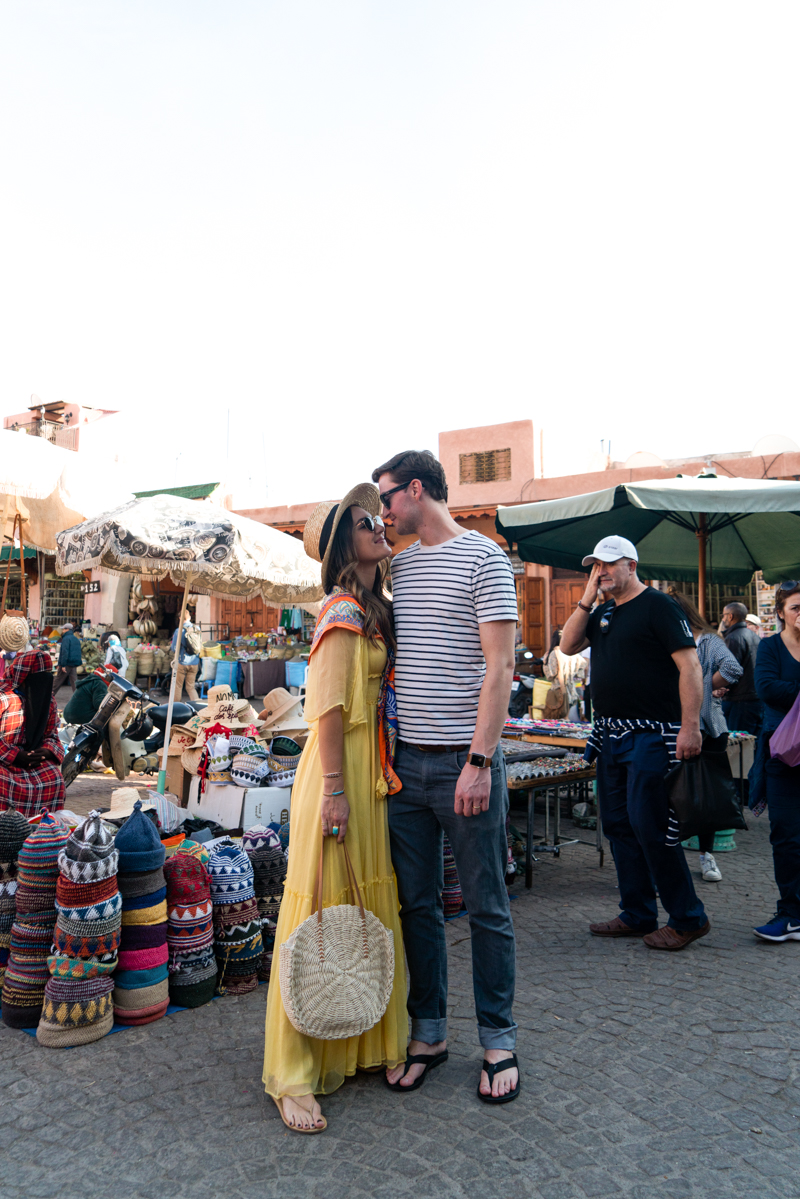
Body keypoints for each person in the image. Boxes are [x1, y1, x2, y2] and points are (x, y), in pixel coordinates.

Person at [372, 449, 520, 1103]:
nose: (382, 512)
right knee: (417, 907)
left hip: (466, 759)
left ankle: (499, 1040)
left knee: (487, 908)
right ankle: (429, 1033)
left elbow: (501, 667)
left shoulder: (485, 557)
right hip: (408, 765)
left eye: (386, 499)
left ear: (414, 490)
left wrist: (480, 762)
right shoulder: (398, 568)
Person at [262, 483, 408, 1133]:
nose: (379, 525)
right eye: (364, 521)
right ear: (343, 543)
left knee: (358, 903)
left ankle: (353, 1036)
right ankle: (293, 1070)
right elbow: (323, 707)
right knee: (319, 906)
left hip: (365, 772)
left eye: (378, 517)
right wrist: (337, 791)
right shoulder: (342, 610)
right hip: (337, 774)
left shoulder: (374, 605)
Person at [560, 536, 709, 951]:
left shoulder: (659, 606)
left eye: (608, 565)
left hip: (652, 733)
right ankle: (638, 912)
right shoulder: (603, 611)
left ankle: (688, 917)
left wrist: (690, 726)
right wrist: (587, 597)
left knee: (651, 824)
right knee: (619, 825)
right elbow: (568, 645)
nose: (601, 572)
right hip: (610, 734)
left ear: (631, 564)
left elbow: (690, 667)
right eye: (596, 567)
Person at [669, 590, 744, 883]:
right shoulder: (666, 641)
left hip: (708, 727)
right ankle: (670, 858)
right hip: (673, 724)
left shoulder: (707, 640)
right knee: (673, 793)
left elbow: (733, 668)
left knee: (705, 795)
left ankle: (706, 855)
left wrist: (702, 687)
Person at [750, 582, 800, 942]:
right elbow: (767, 688)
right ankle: (790, 913)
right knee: (785, 833)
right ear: (780, 612)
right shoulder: (769, 646)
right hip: (782, 754)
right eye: (796, 607)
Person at [0, 649, 65, 817]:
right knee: (2, 781)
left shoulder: (47, 701)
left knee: (55, 778)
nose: (42, 685)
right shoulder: (4, 698)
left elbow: (52, 734)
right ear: (22, 678)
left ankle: (46, 830)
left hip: (33, 760)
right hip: (5, 761)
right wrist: (15, 755)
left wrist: (47, 751)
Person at [720, 602, 761, 734]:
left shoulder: (733, 638)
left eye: (724, 615)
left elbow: (730, 671)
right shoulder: (754, 636)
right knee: (752, 744)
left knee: (739, 744)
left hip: (739, 700)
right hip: (755, 698)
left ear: (730, 616)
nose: (722, 619)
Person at [544, 629, 587, 720]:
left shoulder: (554, 653)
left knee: (557, 719)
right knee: (570, 719)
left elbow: (551, 674)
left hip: (559, 692)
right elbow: (581, 671)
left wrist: (545, 663)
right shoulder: (574, 654)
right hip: (572, 692)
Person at [170, 615, 200, 701]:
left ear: (180, 618)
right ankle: (198, 706)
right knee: (190, 687)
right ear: (190, 617)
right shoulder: (197, 628)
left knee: (178, 686)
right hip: (194, 662)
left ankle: (176, 707)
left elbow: (174, 648)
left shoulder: (179, 630)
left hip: (182, 662)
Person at [53, 623, 82, 694]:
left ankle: (49, 696)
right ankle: (78, 696)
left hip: (67, 663)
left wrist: (63, 665)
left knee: (57, 681)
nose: (62, 630)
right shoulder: (76, 639)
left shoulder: (66, 639)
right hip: (73, 663)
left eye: (63, 629)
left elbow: (65, 652)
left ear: (67, 629)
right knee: (74, 681)